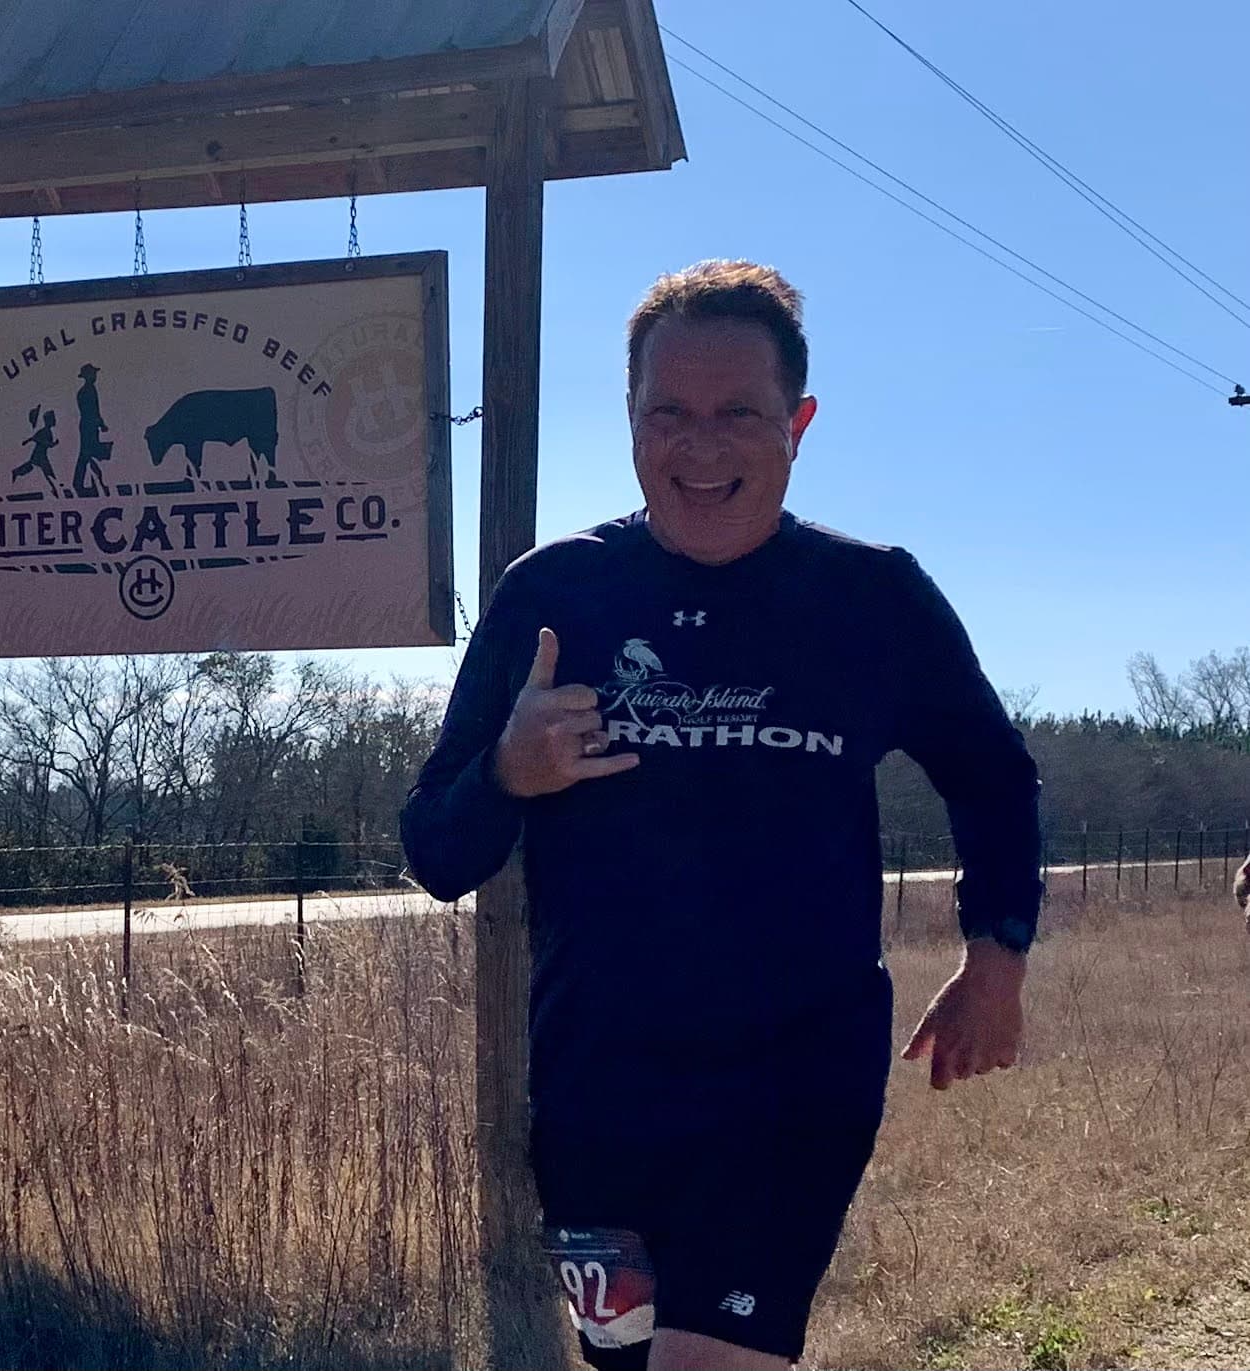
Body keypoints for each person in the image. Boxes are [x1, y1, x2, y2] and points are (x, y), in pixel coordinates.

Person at [400, 261, 1042, 1371]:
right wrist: (507, 771)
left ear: (798, 423)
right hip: (596, 1092)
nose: (699, 448)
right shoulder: (554, 595)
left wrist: (997, 958)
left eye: (738, 413)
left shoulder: (872, 598)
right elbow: (436, 850)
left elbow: (992, 775)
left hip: (792, 1081)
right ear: (631, 419)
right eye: (669, 415)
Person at [75, 362, 113, 495]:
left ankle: (86, 482)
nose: (95, 376)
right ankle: (80, 483)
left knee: (87, 454)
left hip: (90, 425)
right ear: (87, 376)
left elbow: (94, 411)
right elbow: (91, 411)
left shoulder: (88, 390)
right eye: (93, 373)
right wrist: (100, 424)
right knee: (87, 454)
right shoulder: (87, 391)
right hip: (89, 425)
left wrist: (100, 424)